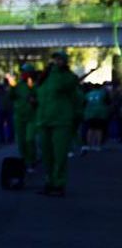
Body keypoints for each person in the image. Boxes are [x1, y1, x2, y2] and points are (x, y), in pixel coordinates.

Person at [34, 51, 80, 196]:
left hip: (61, 121)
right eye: (55, 59)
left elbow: (68, 88)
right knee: (47, 155)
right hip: (44, 121)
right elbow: (38, 95)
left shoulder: (68, 77)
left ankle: (59, 184)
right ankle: (49, 182)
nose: (57, 62)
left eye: (60, 59)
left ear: (65, 62)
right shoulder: (45, 78)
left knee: (60, 155)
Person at [10, 63, 40, 171]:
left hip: (32, 118)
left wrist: (34, 101)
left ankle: (31, 160)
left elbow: (40, 99)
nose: (23, 74)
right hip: (19, 117)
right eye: (22, 72)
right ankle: (24, 159)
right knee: (21, 141)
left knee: (29, 140)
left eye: (25, 72)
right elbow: (11, 97)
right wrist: (11, 87)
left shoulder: (35, 85)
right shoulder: (18, 85)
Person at [82, 82, 110, 152]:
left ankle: (89, 145)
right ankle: (97, 145)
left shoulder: (88, 94)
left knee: (90, 129)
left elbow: (84, 103)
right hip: (100, 113)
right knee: (99, 130)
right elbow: (108, 102)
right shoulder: (103, 93)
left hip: (89, 113)